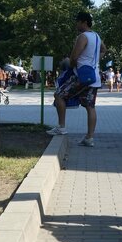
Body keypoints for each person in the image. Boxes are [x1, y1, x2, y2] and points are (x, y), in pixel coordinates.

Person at [46, 12, 106, 147]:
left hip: (80, 75)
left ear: (84, 22)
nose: (76, 24)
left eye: (77, 22)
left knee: (59, 95)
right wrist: (95, 60)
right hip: (94, 77)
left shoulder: (82, 37)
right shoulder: (96, 36)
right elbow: (104, 49)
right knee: (90, 106)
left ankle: (61, 127)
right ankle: (89, 138)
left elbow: (73, 57)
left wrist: (71, 65)